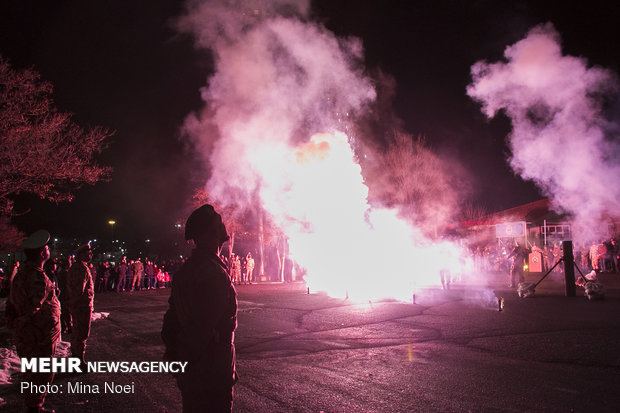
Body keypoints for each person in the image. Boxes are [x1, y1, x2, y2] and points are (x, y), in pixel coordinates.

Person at [161, 204, 238, 412]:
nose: (224, 226)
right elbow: (201, 329)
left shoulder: (189, 269)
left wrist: (178, 361)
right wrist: (189, 363)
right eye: (219, 223)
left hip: (195, 374)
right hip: (210, 374)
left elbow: (171, 322)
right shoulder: (212, 273)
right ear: (211, 233)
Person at [5, 230, 61, 413]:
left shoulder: (22, 274)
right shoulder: (37, 276)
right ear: (41, 253)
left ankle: (33, 405)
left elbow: (13, 302)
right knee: (40, 373)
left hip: (28, 335)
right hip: (38, 335)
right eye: (46, 247)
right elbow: (33, 307)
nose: (48, 250)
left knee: (32, 372)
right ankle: (35, 407)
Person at [67, 242, 95, 366]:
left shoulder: (78, 266)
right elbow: (78, 290)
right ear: (81, 254)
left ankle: (77, 358)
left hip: (80, 305)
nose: (91, 255)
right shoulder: (80, 268)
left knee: (78, 332)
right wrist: (77, 305)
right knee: (81, 333)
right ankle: (78, 361)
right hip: (82, 306)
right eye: (88, 253)